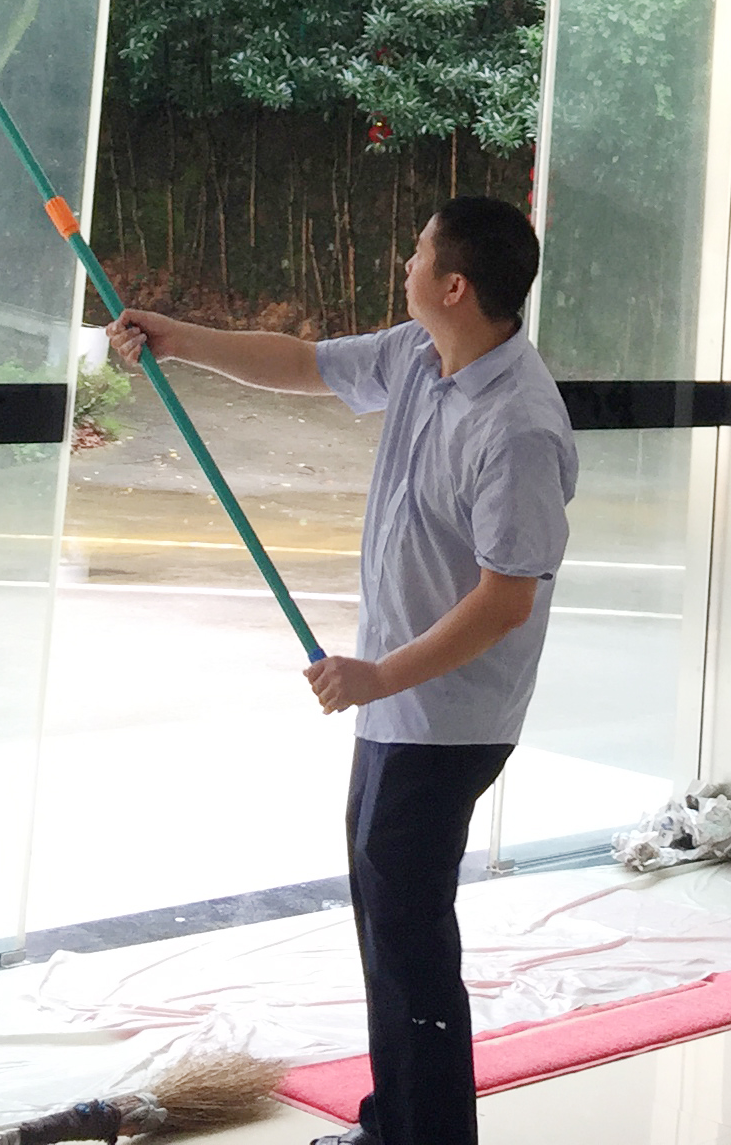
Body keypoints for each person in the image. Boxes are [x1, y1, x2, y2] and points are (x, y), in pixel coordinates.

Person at [109, 196, 576, 1145]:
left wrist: (379, 678)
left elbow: (505, 600)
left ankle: (423, 1135)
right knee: (389, 925)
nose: (404, 263)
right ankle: (397, 1124)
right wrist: (177, 340)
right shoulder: (418, 355)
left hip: (448, 719)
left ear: (455, 284)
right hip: (396, 708)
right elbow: (302, 364)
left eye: (418, 252)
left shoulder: (519, 427)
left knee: (407, 936)